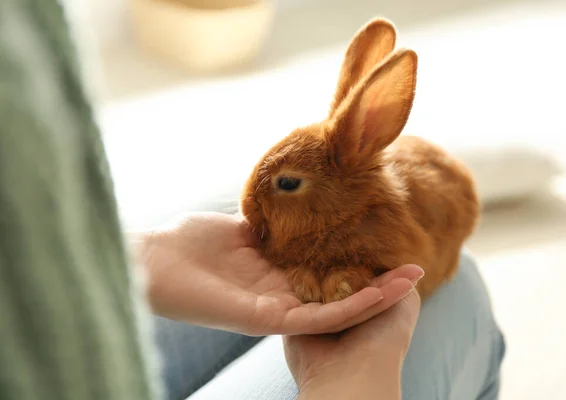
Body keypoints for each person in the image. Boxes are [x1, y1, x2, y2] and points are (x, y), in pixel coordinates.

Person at [0, 1, 505, 399]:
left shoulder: (374, 219)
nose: (251, 210)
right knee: (465, 299)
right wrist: (347, 385)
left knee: (449, 277)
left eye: (286, 186)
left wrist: (144, 253)